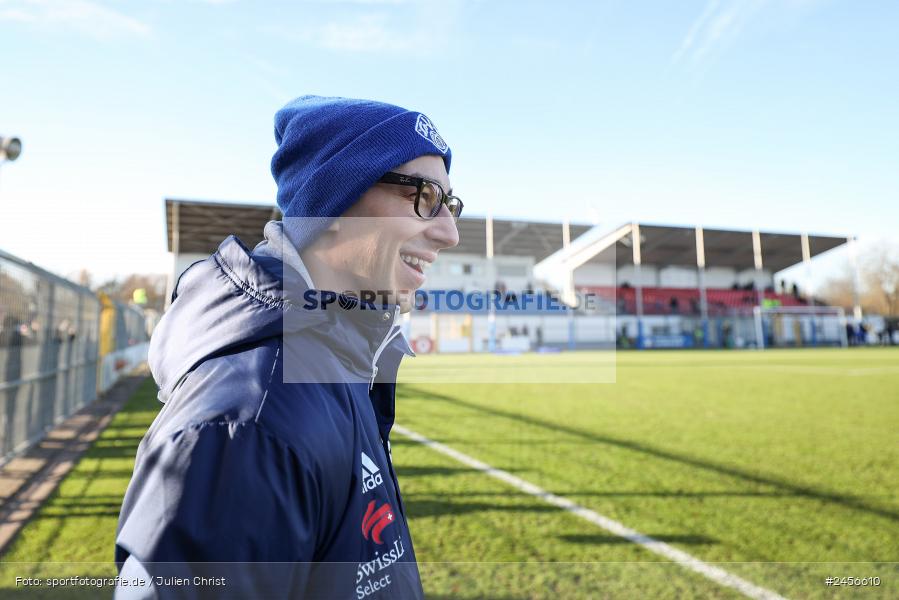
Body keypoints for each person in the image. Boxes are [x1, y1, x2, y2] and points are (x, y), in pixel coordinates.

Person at [115, 95, 461, 599]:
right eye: (425, 196)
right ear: (337, 201)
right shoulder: (246, 424)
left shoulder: (335, 360)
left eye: (450, 203)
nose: (449, 231)